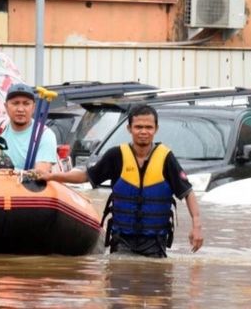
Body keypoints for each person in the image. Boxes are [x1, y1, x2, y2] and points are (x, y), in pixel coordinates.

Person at [35, 104, 203, 257]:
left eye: (148, 127)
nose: (143, 131)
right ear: (129, 128)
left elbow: (187, 192)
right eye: (138, 127)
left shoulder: (166, 158)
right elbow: (86, 176)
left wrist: (197, 226)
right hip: (122, 240)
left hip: (155, 243)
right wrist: (51, 176)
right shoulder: (116, 156)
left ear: (156, 129)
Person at [0, 83, 58, 172]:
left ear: (33, 107)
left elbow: (41, 172)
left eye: (26, 104)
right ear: (6, 106)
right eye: (15, 103)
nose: (20, 109)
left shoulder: (44, 134)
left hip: (27, 185)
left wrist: (10, 173)